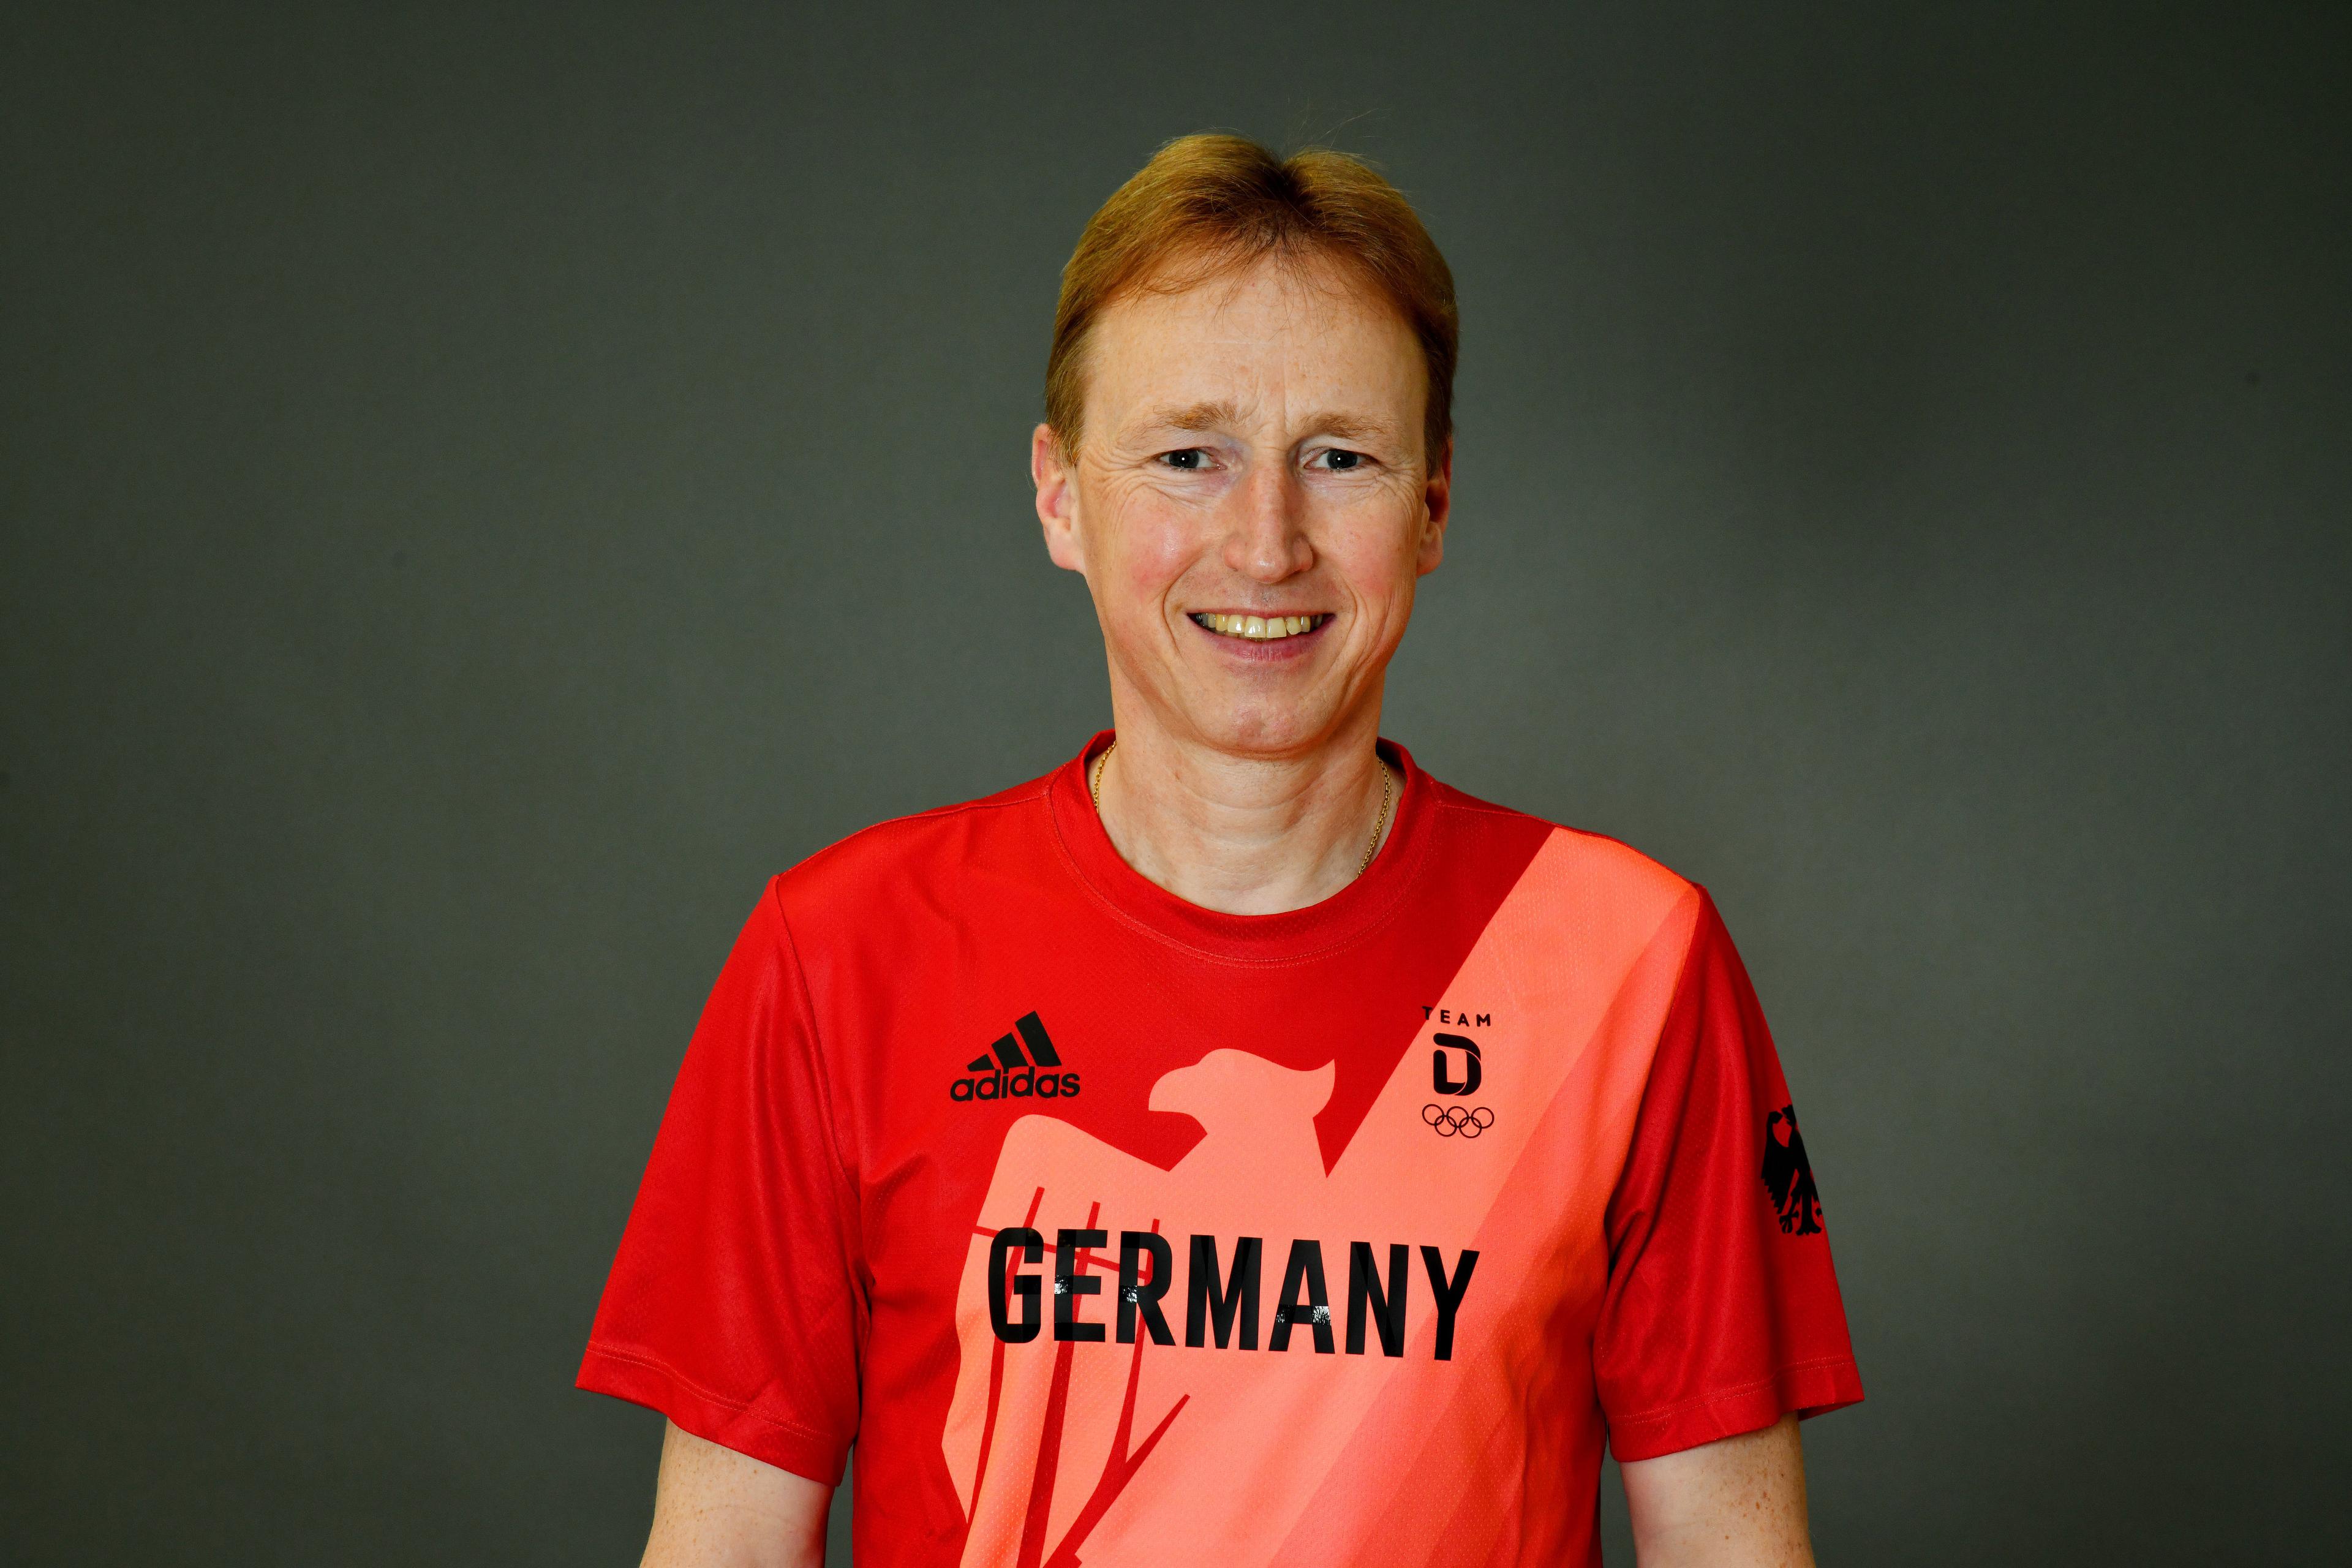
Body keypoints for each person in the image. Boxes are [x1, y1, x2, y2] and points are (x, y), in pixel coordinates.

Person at [578, 133, 1863, 1567]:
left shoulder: (1629, 960)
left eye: (1340, 458)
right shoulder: (838, 951)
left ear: (1432, 504)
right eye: (1190, 456)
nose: (1266, 544)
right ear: (1062, 495)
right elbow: (724, 1547)